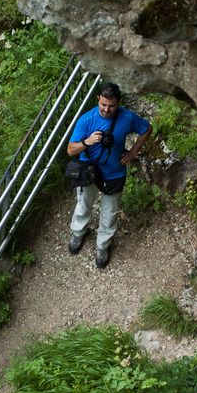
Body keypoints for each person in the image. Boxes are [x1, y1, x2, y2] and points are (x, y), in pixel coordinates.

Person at [67, 83, 150, 268]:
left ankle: (103, 245)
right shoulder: (86, 120)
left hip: (114, 172)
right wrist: (87, 142)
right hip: (89, 171)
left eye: (111, 105)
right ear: (98, 99)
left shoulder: (127, 118)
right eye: (103, 104)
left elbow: (146, 129)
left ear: (118, 103)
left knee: (110, 212)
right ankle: (78, 233)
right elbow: (71, 149)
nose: (106, 109)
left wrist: (133, 152)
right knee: (84, 203)